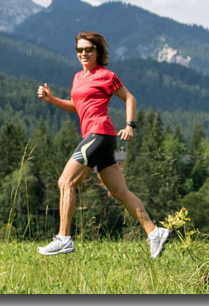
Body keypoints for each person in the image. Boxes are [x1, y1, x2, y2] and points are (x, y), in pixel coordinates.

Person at [36, 31, 170, 258]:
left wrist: (129, 125)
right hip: (99, 138)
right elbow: (79, 106)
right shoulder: (79, 77)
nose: (84, 53)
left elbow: (130, 98)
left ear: (97, 51)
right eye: (80, 50)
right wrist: (52, 100)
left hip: (99, 135)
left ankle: (64, 238)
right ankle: (154, 232)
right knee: (119, 191)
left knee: (65, 181)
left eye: (88, 49)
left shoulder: (106, 75)